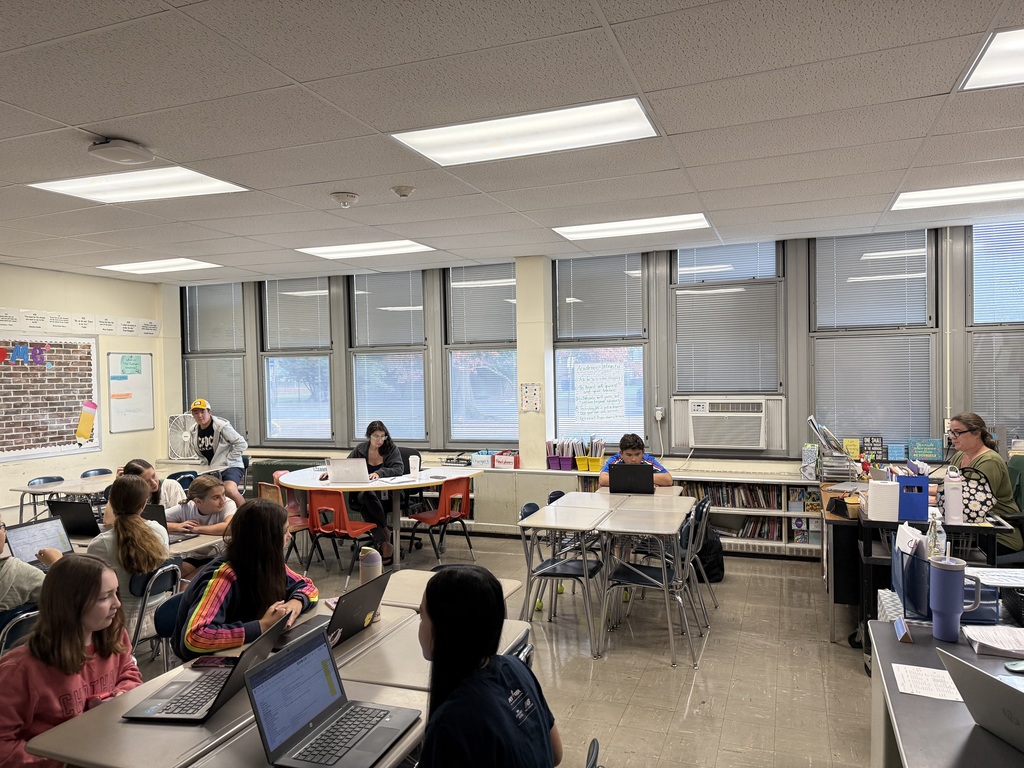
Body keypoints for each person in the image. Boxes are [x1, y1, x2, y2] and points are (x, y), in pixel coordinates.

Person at [0, 555, 142, 766]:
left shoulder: (113, 636)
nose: (117, 603)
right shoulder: (20, 669)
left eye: (116, 593)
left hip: (106, 749)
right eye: (104, 597)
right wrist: (62, 761)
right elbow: (3, 744)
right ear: (70, 605)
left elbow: (129, 672)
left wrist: (121, 695)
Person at [417, 565, 561, 768]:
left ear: (446, 629)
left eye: (422, 616)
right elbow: (556, 755)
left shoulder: (451, 721)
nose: (420, 624)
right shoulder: (516, 668)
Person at [173, 498, 318, 661]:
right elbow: (196, 638)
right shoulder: (223, 576)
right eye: (284, 532)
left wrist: (296, 603)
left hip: (247, 653)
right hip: (211, 664)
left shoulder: (267, 562)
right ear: (266, 539)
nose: (289, 536)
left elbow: (307, 586)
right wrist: (262, 626)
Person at [88, 475, 171, 640]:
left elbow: (86, 586)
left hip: (121, 622)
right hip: (161, 614)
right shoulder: (159, 530)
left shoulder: (100, 543)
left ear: (110, 502)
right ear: (144, 503)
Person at [942, 412, 1021, 552]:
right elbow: (947, 489)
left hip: (997, 532)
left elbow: (969, 500)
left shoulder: (989, 461)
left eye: (957, 432)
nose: (952, 437)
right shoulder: (960, 456)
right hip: (972, 526)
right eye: (951, 432)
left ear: (976, 433)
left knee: (937, 543)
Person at [347, 420, 404, 565]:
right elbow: (346, 466)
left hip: (388, 494)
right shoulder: (360, 449)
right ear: (369, 436)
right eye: (376, 436)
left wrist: (380, 472)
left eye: (382, 436)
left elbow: (398, 469)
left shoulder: (391, 449)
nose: (380, 440)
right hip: (364, 493)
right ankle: (385, 534)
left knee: (366, 505)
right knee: (367, 495)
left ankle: (384, 541)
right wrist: (330, 473)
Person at [165, 474, 237, 579]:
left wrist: (198, 528)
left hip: (219, 557)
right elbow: (156, 520)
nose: (223, 500)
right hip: (194, 557)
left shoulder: (228, 504)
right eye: (216, 497)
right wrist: (176, 526)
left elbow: (229, 528)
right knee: (171, 577)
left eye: (223, 494)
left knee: (184, 586)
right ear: (198, 502)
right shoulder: (186, 507)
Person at [0, 522, 63, 629]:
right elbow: (71, 596)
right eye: (1, 526)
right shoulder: (17, 571)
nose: (4, 531)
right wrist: (59, 563)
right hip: (21, 644)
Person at [188, 398, 248, 508]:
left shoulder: (221, 426)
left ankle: (246, 515)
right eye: (196, 413)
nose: (199, 415)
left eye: (202, 412)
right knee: (195, 491)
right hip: (211, 468)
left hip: (230, 466)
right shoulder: (193, 430)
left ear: (209, 412)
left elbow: (242, 444)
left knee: (229, 490)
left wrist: (229, 458)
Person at [102, 458, 186, 527]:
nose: (154, 482)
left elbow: (184, 520)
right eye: (146, 482)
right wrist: (117, 485)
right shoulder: (131, 495)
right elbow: (109, 523)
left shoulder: (171, 486)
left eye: (154, 476)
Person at [598, 433, 674, 487]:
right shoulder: (615, 459)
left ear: (643, 452)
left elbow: (668, 480)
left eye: (637, 454)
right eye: (629, 455)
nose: (634, 459)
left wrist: (625, 480)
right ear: (621, 453)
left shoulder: (647, 459)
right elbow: (603, 480)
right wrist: (645, 481)